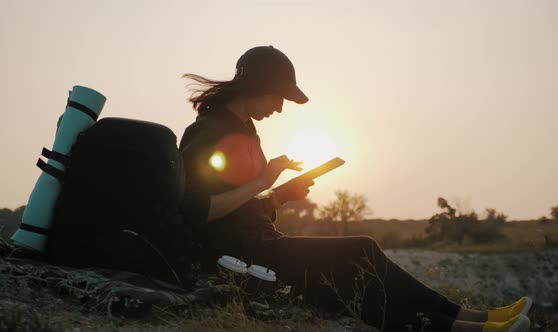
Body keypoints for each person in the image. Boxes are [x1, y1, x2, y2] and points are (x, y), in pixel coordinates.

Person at [178, 45, 532, 332]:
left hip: (258, 242)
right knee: (349, 271)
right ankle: (458, 327)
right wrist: (262, 181)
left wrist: (281, 195)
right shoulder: (209, 131)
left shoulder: (243, 130)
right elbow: (198, 211)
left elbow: (239, 209)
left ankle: (470, 318)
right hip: (237, 255)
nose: (280, 108)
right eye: (277, 97)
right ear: (258, 87)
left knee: (363, 250)